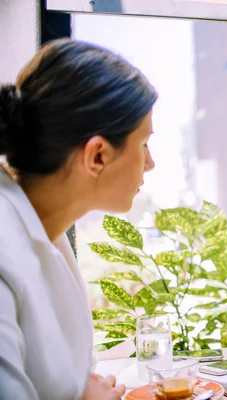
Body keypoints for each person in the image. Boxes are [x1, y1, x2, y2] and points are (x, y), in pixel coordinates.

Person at [0, 39, 157, 399]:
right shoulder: (4, 249)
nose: (150, 164)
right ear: (98, 155)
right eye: (144, 144)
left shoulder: (49, 234)